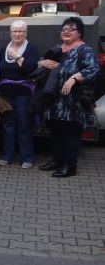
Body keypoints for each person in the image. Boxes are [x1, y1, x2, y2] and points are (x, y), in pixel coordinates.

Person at [38, 17, 99, 177]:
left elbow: (93, 69)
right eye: (64, 29)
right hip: (54, 100)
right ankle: (56, 161)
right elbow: (42, 62)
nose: (66, 31)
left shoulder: (84, 50)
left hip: (73, 102)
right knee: (55, 131)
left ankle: (69, 166)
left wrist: (74, 78)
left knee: (71, 133)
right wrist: (41, 63)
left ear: (79, 33)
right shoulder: (57, 49)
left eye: (71, 29)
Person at [0, 20, 39, 169]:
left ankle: (27, 157)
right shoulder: (3, 49)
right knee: (8, 125)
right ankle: (7, 156)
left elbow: (29, 68)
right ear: (10, 33)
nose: (17, 34)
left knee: (23, 125)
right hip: (6, 93)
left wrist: (16, 56)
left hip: (23, 93)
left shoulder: (32, 48)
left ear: (26, 33)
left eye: (21, 31)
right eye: (14, 31)